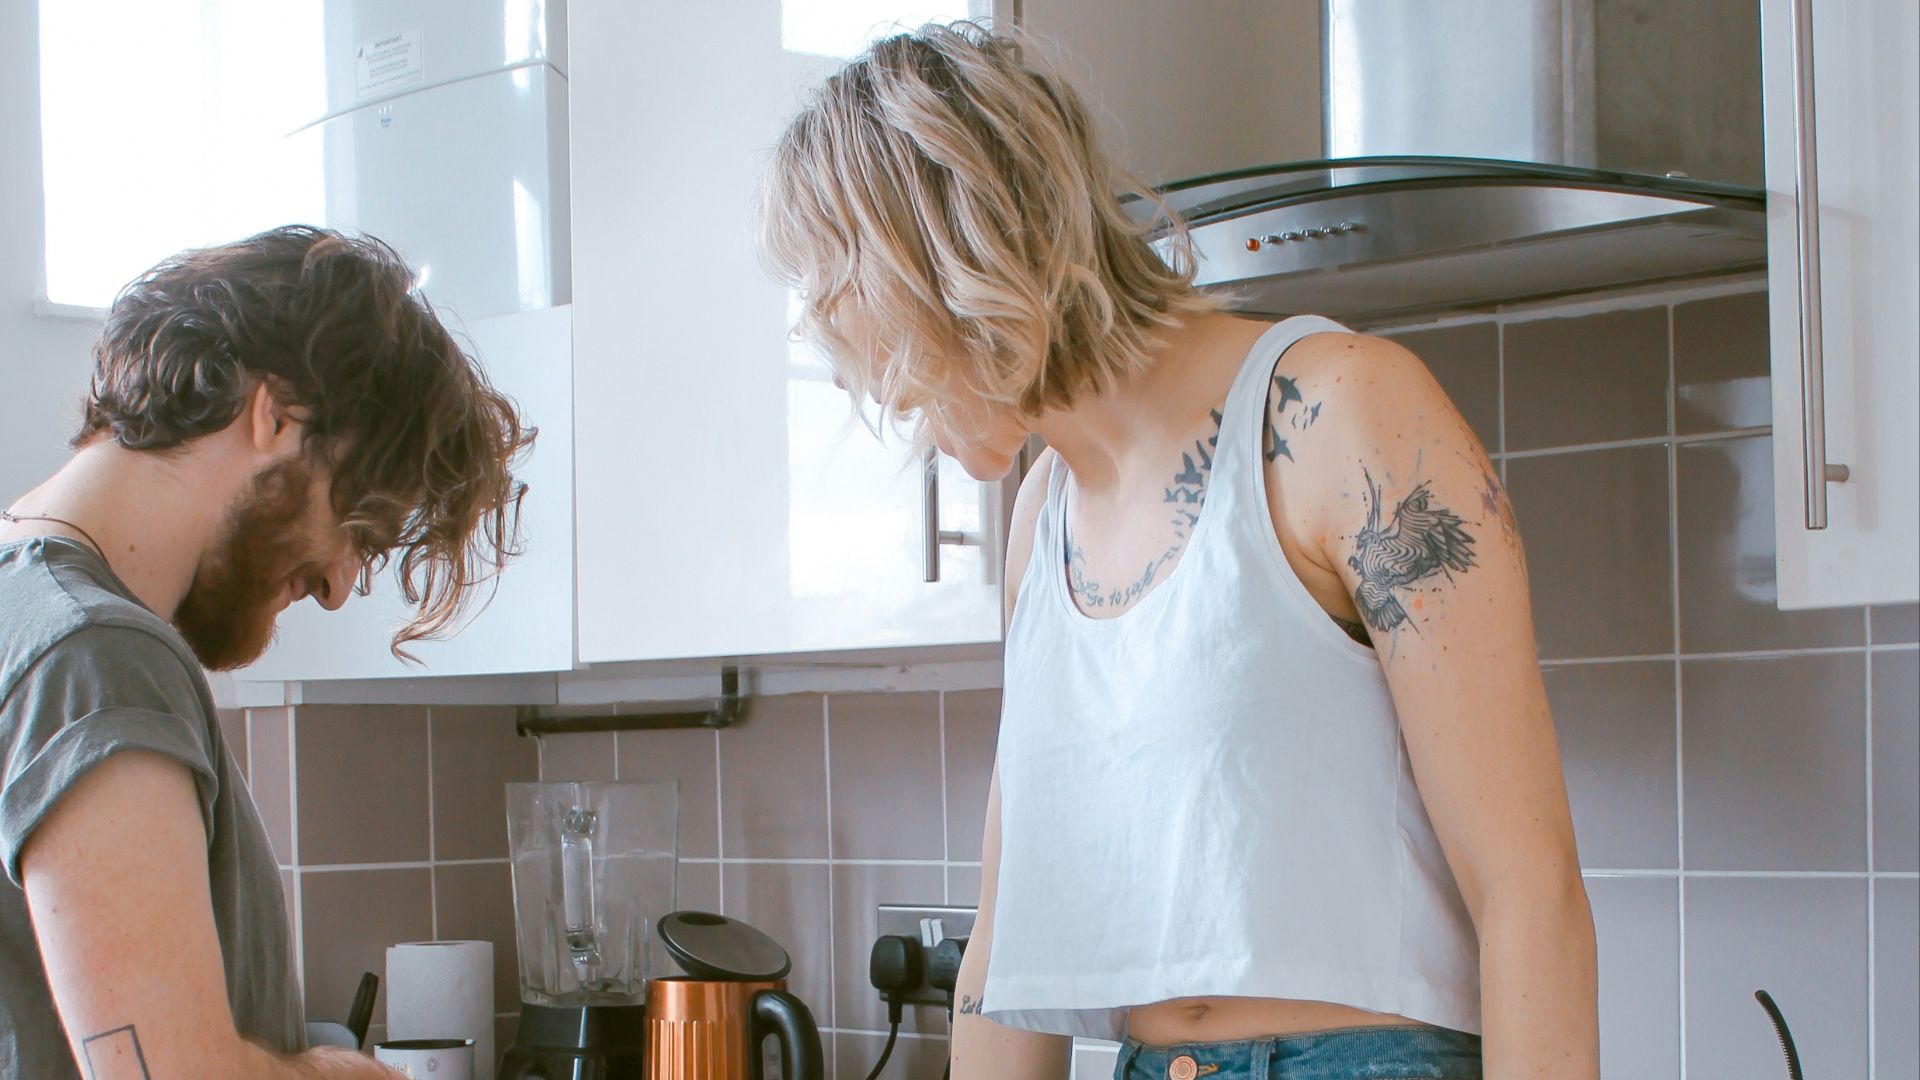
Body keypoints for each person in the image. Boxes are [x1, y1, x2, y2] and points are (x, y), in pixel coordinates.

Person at [758, 22, 1598, 1080]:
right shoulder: (1040, 519)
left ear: (949, 263)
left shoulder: (1339, 411)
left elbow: (1529, 887)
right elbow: (1005, 944)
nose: (861, 383)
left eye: (852, 314)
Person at [0, 226, 531, 1078]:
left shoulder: (24, 611)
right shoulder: (97, 656)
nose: (337, 583)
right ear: (275, 411)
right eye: (360, 523)